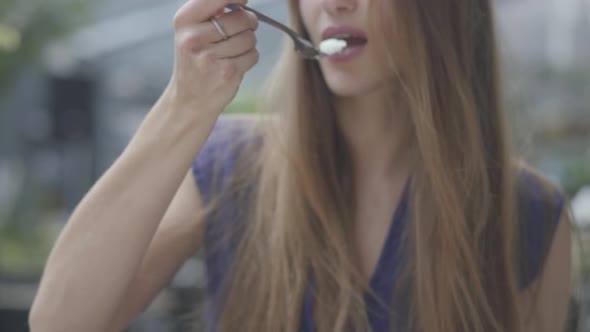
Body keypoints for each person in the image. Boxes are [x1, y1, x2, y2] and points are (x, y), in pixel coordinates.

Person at [29, 0, 572, 331]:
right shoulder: (231, 163)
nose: (333, 2)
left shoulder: (529, 214)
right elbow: (60, 322)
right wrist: (184, 103)